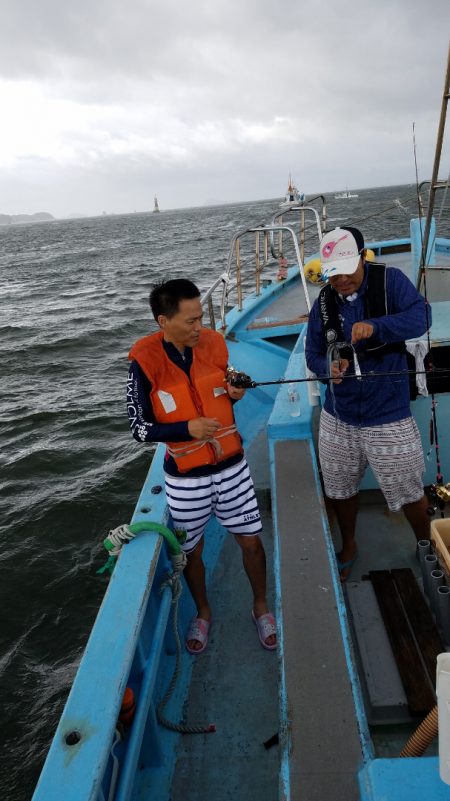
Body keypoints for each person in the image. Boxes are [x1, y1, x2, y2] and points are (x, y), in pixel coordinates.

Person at [127, 278, 276, 652]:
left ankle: (261, 608)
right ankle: (203, 613)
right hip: (186, 480)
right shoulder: (144, 360)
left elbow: (223, 394)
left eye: (200, 318)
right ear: (163, 321)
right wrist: (186, 428)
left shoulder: (214, 344)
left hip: (233, 468)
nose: (199, 328)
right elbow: (139, 426)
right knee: (191, 552)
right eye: (190, 321)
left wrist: (235, 393)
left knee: (251, 542)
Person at [305, 226, 431, 581]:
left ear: (362, 257)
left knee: (408, 488)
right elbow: (313, 351)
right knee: (338, 485)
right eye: (333, 272)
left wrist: (377, 327)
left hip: (388, 411)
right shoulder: (324, 302)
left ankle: (426, 545)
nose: (341, 279)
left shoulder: (390, 281)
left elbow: (422, 317)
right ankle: (350, 544)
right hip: (339, 413)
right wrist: (327, 369)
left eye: (348, 268)